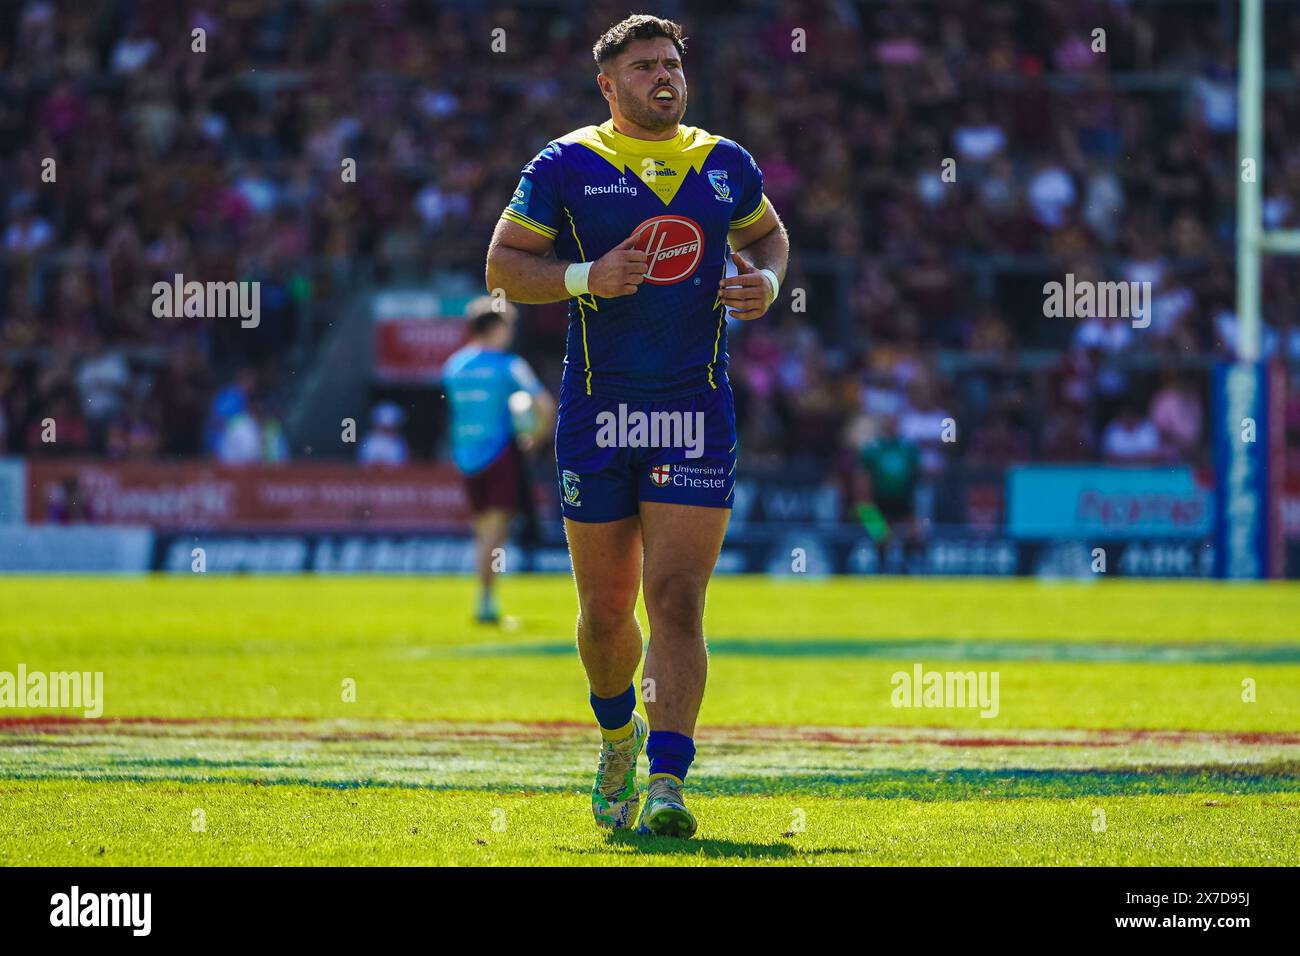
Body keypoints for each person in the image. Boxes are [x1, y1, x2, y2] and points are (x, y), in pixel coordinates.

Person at [484, 14, 789, 837]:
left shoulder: (724, 163)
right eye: (646, 65)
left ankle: (668, 780)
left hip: (695, 413)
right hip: (598, 415)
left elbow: (770, 235)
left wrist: (766, 280)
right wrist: (587, 275)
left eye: (673, 64)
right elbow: (503, 267)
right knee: (608, 610)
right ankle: (618, 737)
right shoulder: (566, 163)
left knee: (679, 599)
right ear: (608, 84)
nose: (665, 76)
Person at [441, 296, 554, 625]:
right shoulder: (509, 366)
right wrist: (535, 437)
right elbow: (544, 406)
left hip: (465, 455)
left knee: (483, 528)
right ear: (496, 327)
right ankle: (486, 603)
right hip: (500, 453)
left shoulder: (455, 366)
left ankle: (485, 598)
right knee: (496, 529)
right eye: (509, 325)